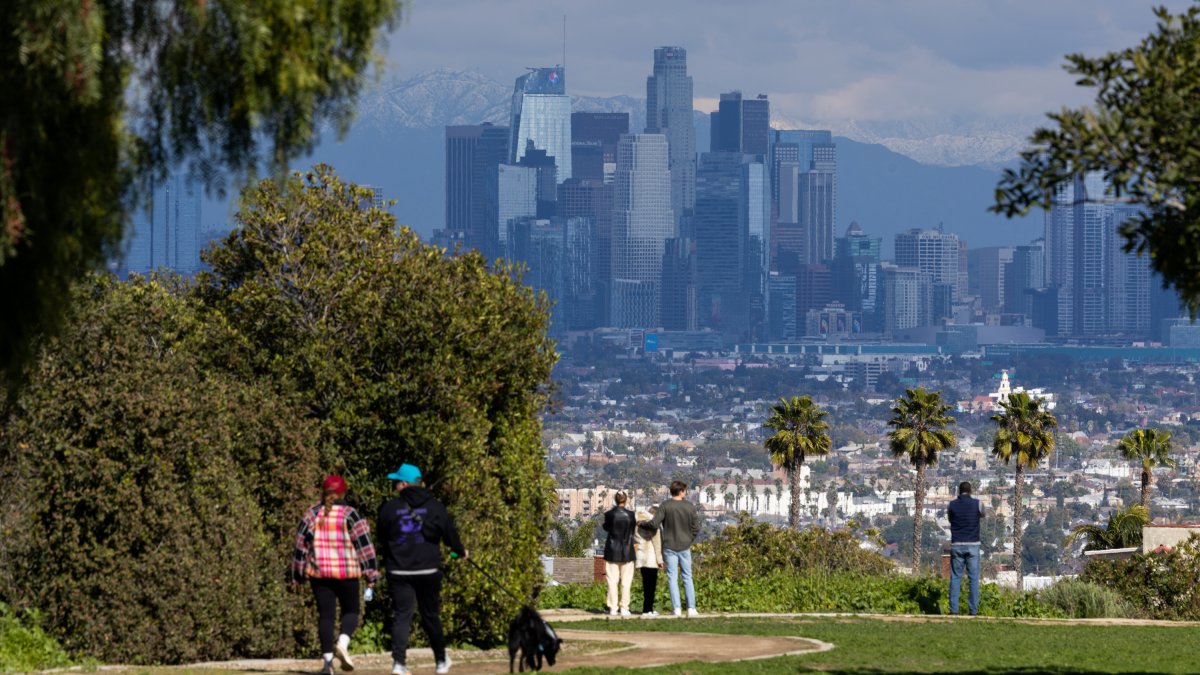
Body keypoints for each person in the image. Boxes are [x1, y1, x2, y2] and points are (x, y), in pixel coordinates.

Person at [376, 463, 466, 675]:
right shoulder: (435, 507)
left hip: (398, 571)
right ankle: (441, 661)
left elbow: (381, 538)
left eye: (396, 482)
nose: (395, 486)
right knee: (431, 616)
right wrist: (460, 551)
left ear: (404, 483)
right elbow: (450, 534)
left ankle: (399, 664)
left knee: (402, 616)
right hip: (428, 570)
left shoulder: (389, 508)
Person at [291, 475, 379, 675]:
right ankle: (343, 643)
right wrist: (371, 574)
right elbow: (365, 546)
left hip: (319, 574)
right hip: (347, 574)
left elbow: (300, 546)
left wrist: (297, 575)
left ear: (323, 492)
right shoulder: (351, 515)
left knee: (326, 616)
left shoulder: (312, 514)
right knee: (351, 611)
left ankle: (327, 665)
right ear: (344, 492)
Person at [646, 480, 701, 617]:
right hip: (685, 546)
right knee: (687, 577)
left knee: (672, 578)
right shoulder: (689, 506)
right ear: (681, 491)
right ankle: (691, 608)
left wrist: (641, 524)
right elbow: (696, 528)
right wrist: (689, 539)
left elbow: (654, 524)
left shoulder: (665, 506)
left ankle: (677, 608)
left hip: (669, 546)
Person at [947, 481, 984, 616]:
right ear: (970, 491)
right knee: (973, 579)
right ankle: (973, 611)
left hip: (957, 544)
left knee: (955, 577)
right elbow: (983, 514)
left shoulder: (951, 505)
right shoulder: (978, 504)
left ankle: (954, 610)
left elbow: (950, 519)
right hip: (973, 544)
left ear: (959, 491)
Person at [601, 491, 636, 617]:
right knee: (626, 582)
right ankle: (624, 607)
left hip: (612, 551)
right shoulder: (631, 515)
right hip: (627, 551)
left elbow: (606, 528)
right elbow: (632, 530)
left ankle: (613, 607)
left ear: (615, 500)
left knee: (612, 581)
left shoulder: (609, 514)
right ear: (625, 500)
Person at [634, 505, 664, 616]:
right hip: (651, 556)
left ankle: (646, 609)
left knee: (645, 584)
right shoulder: (653, 524)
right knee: (651, 585)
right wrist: (660, 559)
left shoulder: (637, 521)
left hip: (640, 555)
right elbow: (657, 543)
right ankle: (648, 609)